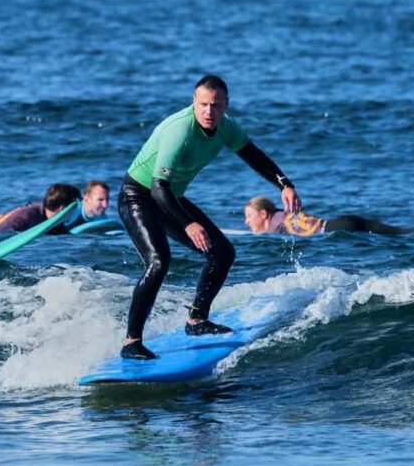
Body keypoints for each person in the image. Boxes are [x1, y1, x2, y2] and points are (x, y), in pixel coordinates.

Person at [118, 75, 301, 360]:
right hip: (139, 197)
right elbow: (158, 187)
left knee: (222, 252)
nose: (208, 111)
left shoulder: (226, 127)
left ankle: (197, 321)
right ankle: (132, 342)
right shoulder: (179, 131)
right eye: (203, 104)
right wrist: (189, 224)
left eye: (215, 106)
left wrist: (284, 184)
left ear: (226, 105)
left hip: (171, 198)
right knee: (159, 261)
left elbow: (254, 156)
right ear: (194, 102)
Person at [243, 196, 414, 239]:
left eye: (249, 216)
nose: (247, 222)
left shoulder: (274, 227)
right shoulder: (284, 215)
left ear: (263, 214)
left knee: (400, 235)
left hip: (337, 230)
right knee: (400, 232)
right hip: (343, 221)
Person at [0, 183, 81, 236]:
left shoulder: (54, 222)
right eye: (74, 206)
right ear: (64, 208)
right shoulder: (25, 218)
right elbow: (4, 238)